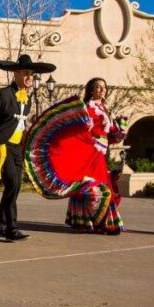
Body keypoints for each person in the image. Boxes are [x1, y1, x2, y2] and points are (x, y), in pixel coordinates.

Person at [23, 78, 129, 234]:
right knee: (91, 186)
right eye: (97, 87)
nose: (101, 90)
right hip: (88, 153)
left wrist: (119, 133)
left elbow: (109, 135)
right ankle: (103, 223)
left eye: (104, 87)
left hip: (100, 155)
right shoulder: (87, 108)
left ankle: (85, 221)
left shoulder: (105, 109)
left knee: (97, 185)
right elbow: (82, 128)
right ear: (91, 90)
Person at [0, 54, 56, 242]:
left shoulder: (26, 98)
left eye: (32, 75)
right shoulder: (3, 95)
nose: (30, 78)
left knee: (14, 188)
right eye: (26, 73)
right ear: (16, 74)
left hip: (17, 148)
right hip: (2, 147)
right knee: (13, 185)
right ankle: (11, 227)